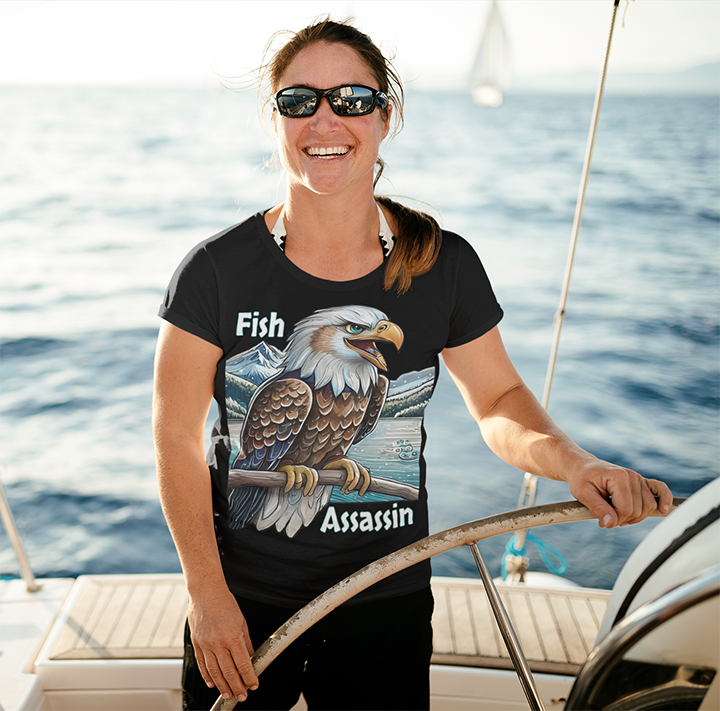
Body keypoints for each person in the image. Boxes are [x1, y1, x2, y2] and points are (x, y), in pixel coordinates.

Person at [152, 18, 672, 711]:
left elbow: (498, 400)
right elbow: (176, 435)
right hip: (245, 598)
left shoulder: (441, 265)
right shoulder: (216, 270)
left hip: (386, 596)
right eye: (299, 100)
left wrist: (576, 464)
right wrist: (206, 593)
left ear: (385, 116)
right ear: (274, 118)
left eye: (352, 99)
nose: (325, 118)